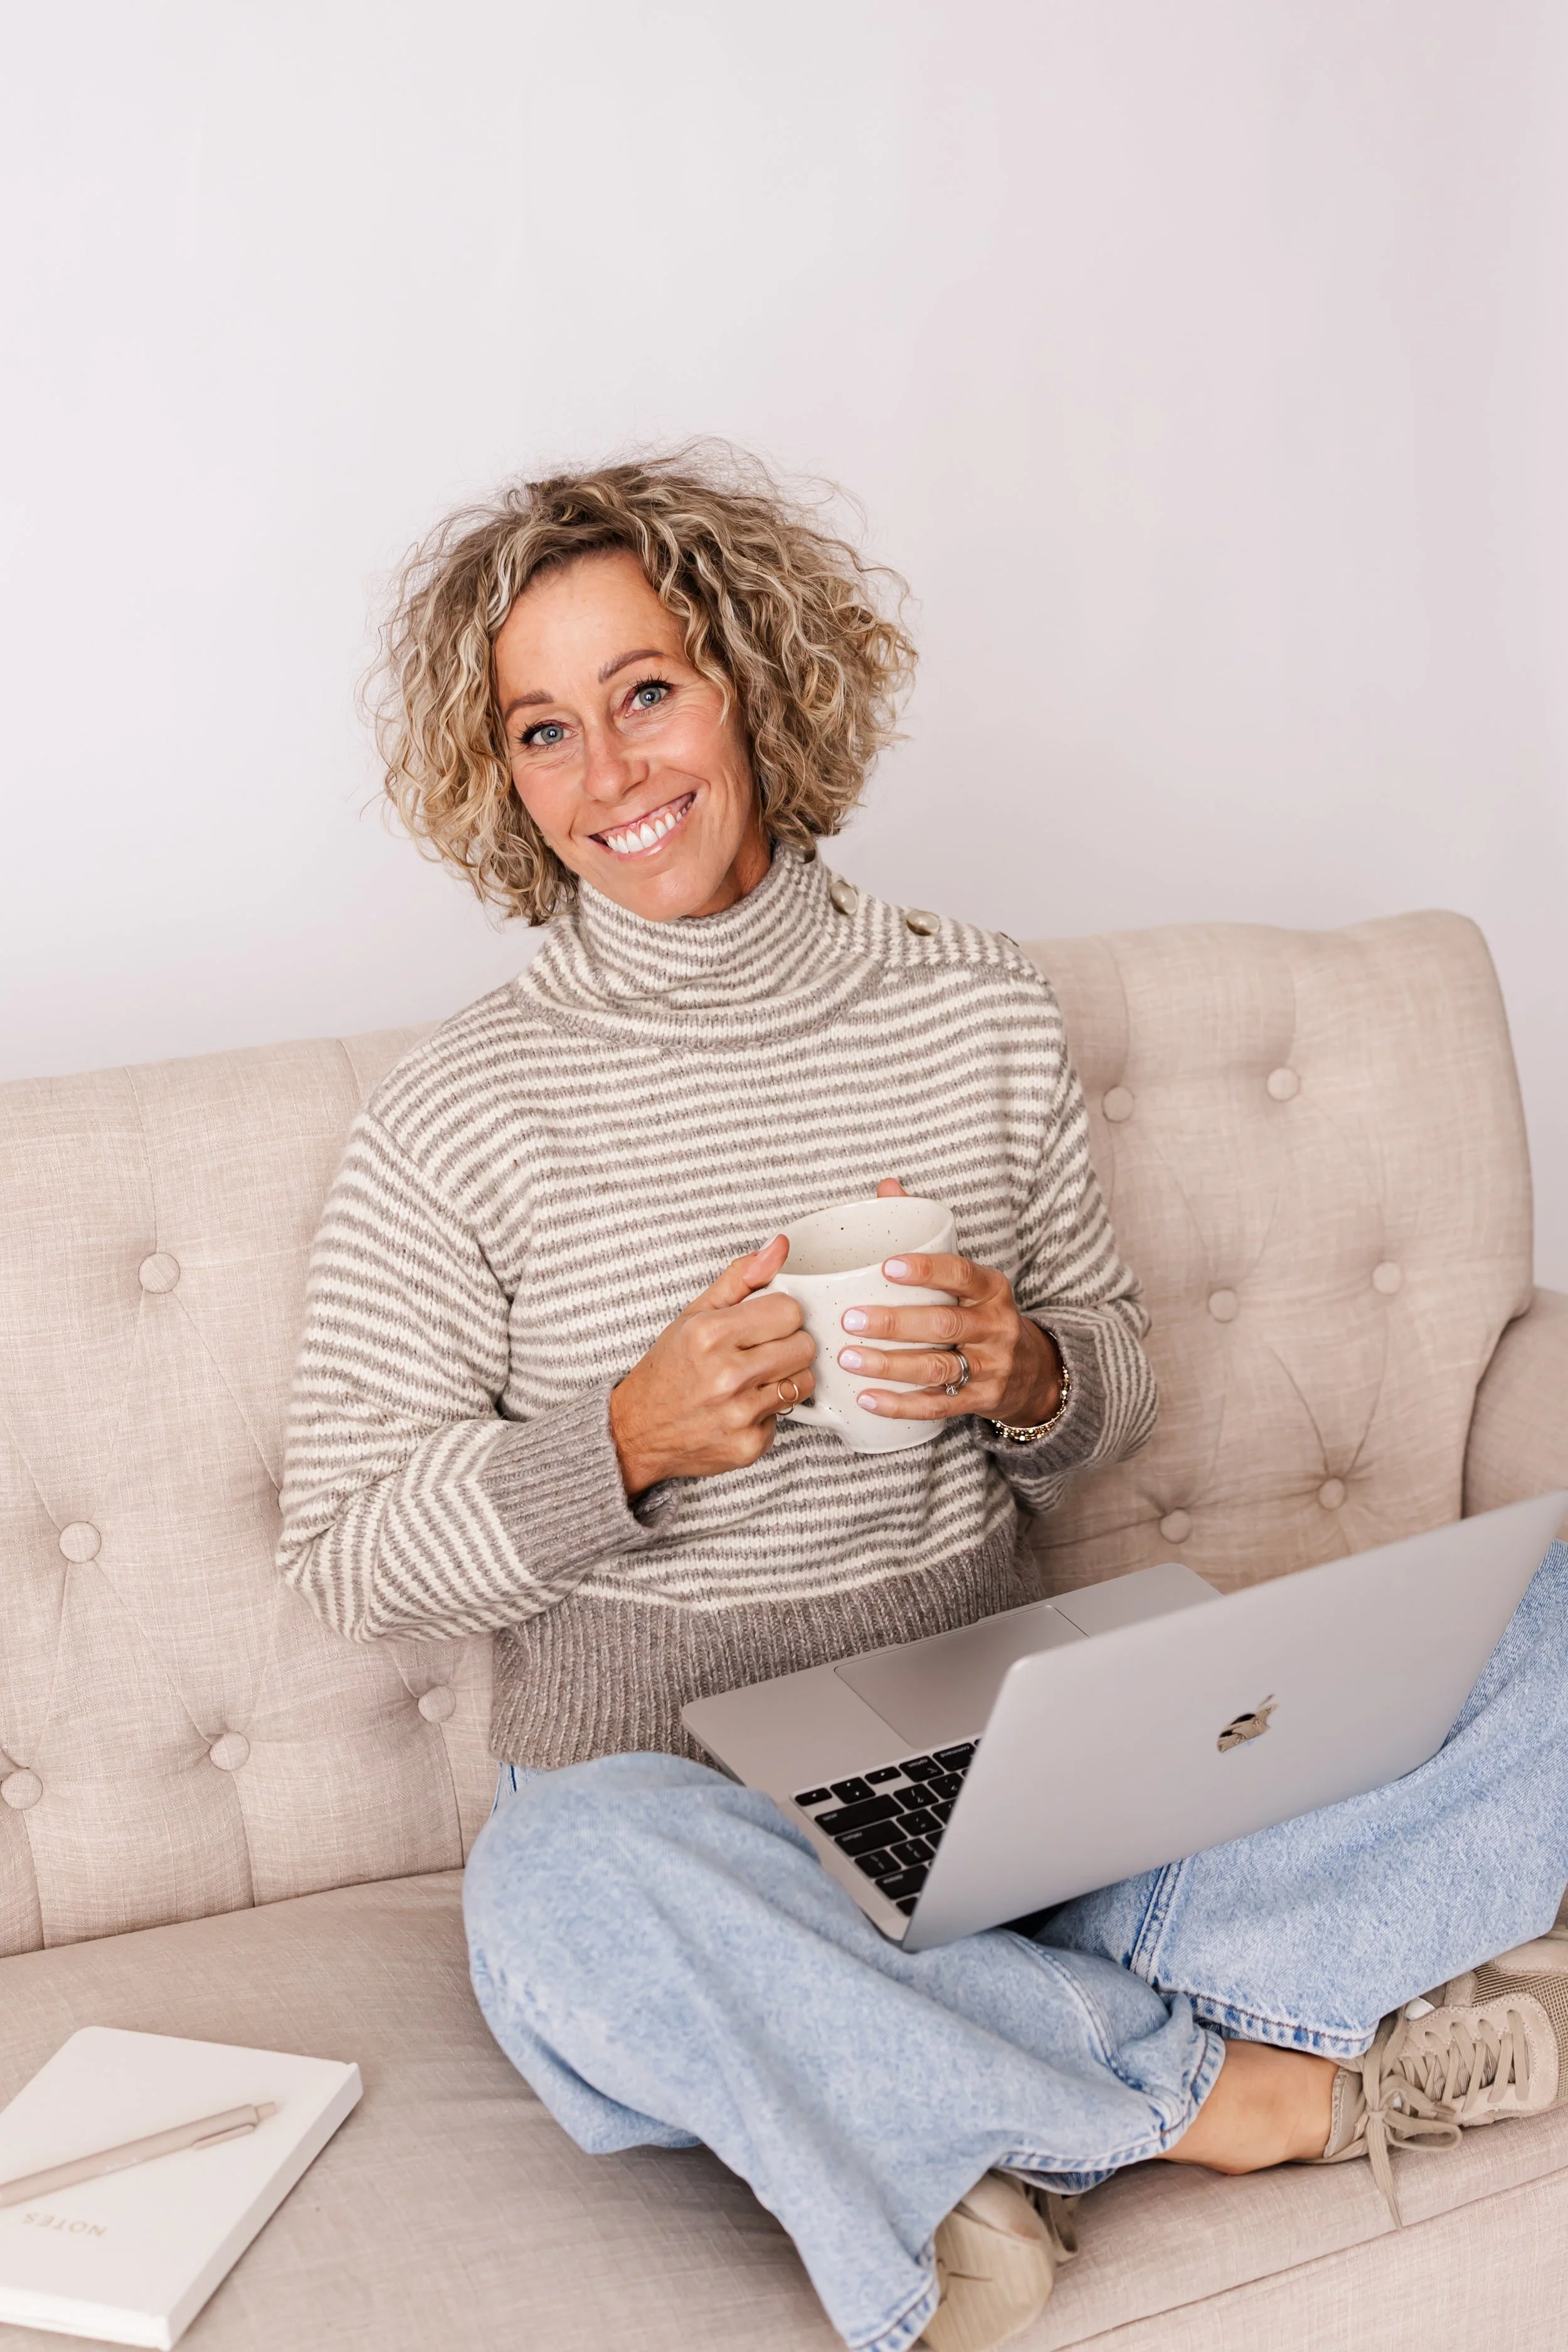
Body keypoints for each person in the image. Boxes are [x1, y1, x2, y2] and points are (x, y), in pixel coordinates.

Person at [277, 448, 1568, 2352]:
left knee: (1547, 1614)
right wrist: (622, 1443)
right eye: (544, 731)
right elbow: (345, 1552)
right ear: (504, 780)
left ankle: (947, 2083)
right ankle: (1214, 2082)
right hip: (682, 1810)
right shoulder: (460, 1112)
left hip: (1002, 1766)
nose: (609, 772)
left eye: (646, 691)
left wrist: (1030, 1374)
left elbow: (1107, 1382)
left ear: (754, 682)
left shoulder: (972, 1008)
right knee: (555, 1901)